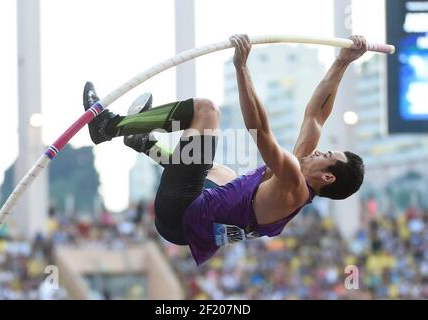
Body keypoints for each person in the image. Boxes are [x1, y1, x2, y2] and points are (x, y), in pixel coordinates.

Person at [82, 34, 365, 265]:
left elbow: (260, 129)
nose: (320, 151)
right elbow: (316, 115)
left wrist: (241, 68)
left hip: (181, 214)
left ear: (328, 177)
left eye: (327, 156)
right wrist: (342, 62)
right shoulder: (295, 180)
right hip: (190, 226)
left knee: (206, 111)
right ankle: (143, 142)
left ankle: (108, 126)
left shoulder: (292, 179)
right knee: (222, 172)